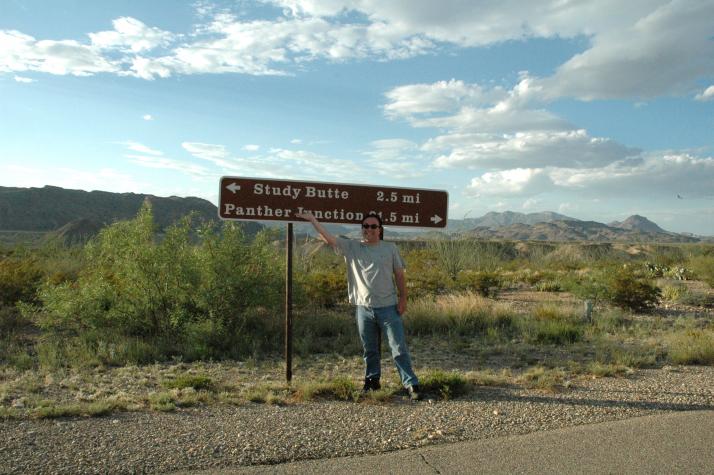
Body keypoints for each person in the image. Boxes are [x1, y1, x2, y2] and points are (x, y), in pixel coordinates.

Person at [297, 211, 421, 401]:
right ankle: (372, 382)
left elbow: (399, 275)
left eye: (373, 226)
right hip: (363, 308)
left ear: (380, 230)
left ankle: (411, 383)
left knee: (398, 347)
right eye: (365, 226)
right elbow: (329, 239)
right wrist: (313, 220)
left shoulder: (390, 248)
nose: (369, 229)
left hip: (389, 307)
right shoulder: (352, 246)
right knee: (369, 349)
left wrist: (403, 298)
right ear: (361, 229)